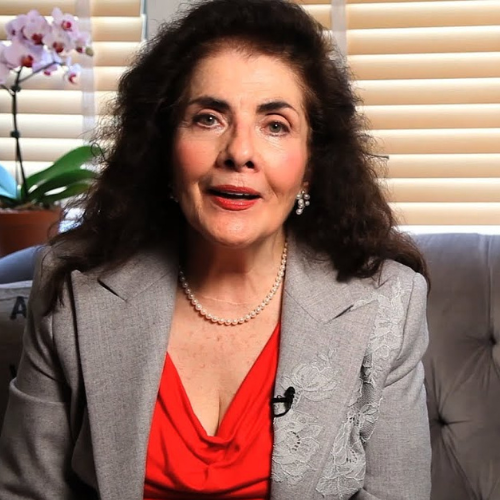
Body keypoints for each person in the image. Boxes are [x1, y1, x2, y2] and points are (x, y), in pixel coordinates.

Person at [0, 0, 432, 498]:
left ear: (311, 166)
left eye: (275, 125)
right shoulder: (73, 287)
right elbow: (28, 491)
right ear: (164, 147)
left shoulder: (389, 303)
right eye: (208, 118)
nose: (239, 152)